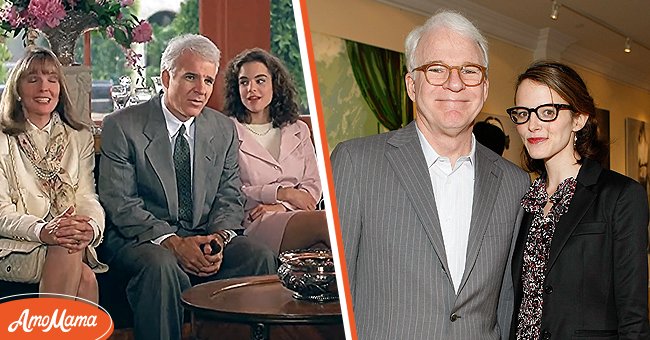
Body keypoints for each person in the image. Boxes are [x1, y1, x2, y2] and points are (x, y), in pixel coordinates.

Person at [331, 10, 530, 340]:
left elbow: (507, 303)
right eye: (436, 69)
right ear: (412, 84)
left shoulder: (515, 184)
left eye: (469, 71)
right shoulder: (355, 163)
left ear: (483, 87)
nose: (455, 83)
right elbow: (337, 297)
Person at [98, 34, 276, 340]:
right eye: (191, 77)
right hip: (142, 240)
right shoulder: (122, 125)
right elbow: (121, 204)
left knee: (258, 256)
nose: (201, 90)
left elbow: (229, 195)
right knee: (162, 266)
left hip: (205, 234)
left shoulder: (222, 129)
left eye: (208, 80)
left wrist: (217, 240)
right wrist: (173, 242)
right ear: (167, 77)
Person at [507, 60, 649, 339]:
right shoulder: (525, 201)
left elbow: (634, 318)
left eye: (547, 112)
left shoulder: (620, 196)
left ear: (579, 119)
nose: (532, 125)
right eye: (523, 113)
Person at [0, 46, 107, 301]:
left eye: (52, 79)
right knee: (83, 272)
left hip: (66, 243)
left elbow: (87, 198)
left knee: (72, 250)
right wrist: (43, 230)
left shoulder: (79, 137)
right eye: (33, 79)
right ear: (17, 89)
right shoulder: (3, 139)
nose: (43, 88)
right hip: (18, 246)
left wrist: (89, 227)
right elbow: (2, 213)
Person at [223, 48, 330, 255]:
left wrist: (282, 206)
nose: (251, 88)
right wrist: (283, 193)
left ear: (275, 84)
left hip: (294, 213)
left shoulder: (298, 129)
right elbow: (232, 190)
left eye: (260, 81)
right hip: (254, 219)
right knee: (328, 222)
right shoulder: (227, 130)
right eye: (244, 82)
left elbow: (311, 189)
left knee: (322, 250)